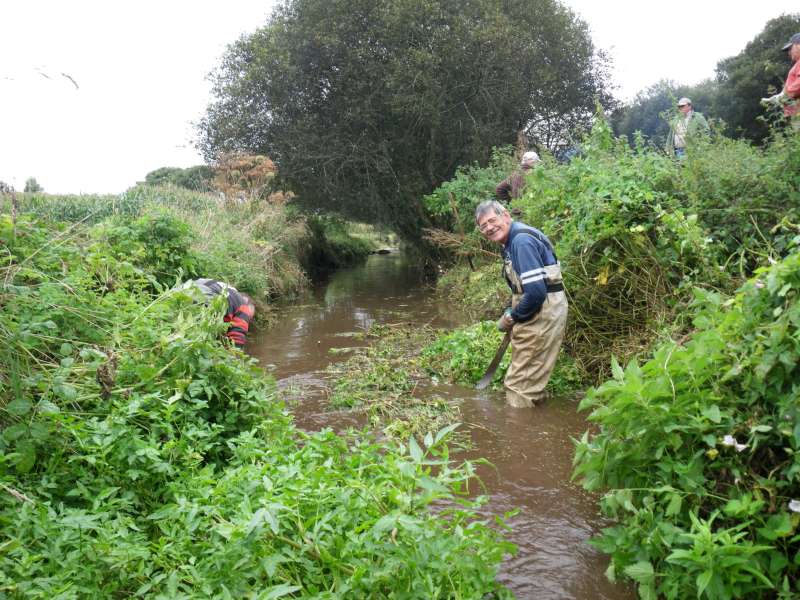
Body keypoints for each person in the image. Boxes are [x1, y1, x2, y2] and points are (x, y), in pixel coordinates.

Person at [475, 200, 567, 407]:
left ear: (506, 215)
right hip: (538, 310)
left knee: (519, 385)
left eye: (492, 220)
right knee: (528, 375)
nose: (489, 227)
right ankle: (537, 418)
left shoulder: (521, 241)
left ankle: (521, 433)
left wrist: (513, 316)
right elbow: (522, 287)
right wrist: (511, 308)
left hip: (543, 312)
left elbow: (535, 292)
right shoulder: (510, 242)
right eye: (483, 225)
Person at [180, 278, 255, 347]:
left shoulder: (229, 293)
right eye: (248, 317)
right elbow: (237, 339)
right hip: (205, 296)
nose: (246, 320)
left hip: (181, 289)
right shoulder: (243, 306)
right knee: (197, 340)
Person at [761, 32, 800, 132]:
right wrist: (778, 96)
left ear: (798, 45)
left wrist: (783, 96)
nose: (789, 52)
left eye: (790, 48)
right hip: (795, 111)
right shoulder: (796, 65)